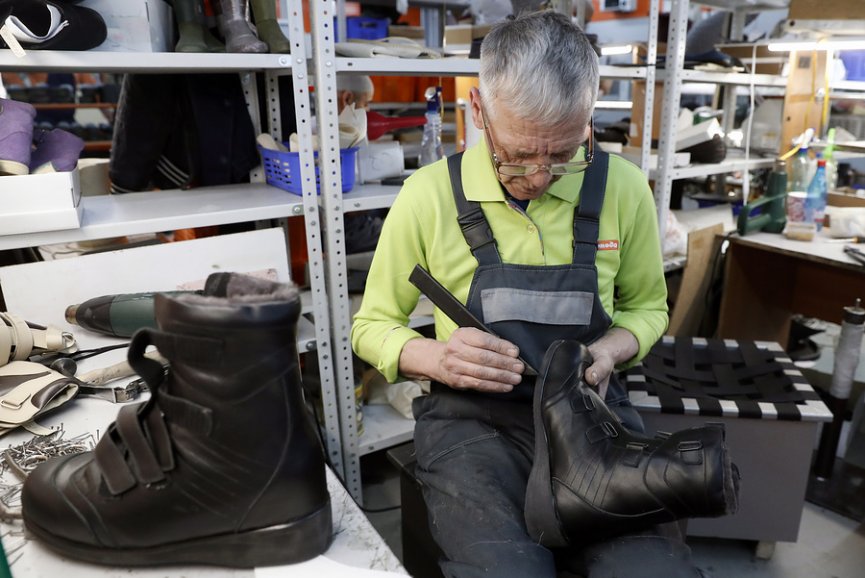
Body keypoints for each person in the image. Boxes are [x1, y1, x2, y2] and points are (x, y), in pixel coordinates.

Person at [352, 10, 701, 578]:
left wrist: (611, 350)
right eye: (518, 154)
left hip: (591, 416)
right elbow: (370, 326)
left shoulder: (624, 188)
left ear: (588, 122)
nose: (539, 177)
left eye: (563, 153)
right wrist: (436, 356)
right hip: (474, 422)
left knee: (650, 568)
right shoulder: (427, 197)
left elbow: (647, 307)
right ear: (477, 113)